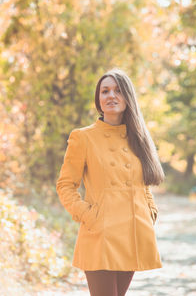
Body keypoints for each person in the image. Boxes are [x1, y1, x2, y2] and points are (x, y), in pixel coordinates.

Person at [56, 68, 165, 296]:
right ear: (99, 99)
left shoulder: (138, 138)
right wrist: (88, 216)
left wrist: (150, 211)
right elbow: (65, 185)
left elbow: (140, 183)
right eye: (105, 91)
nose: (110, 96)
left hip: (132, 233)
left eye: (117, 90)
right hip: (100, 235)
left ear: (127, 98)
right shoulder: (83, 137)